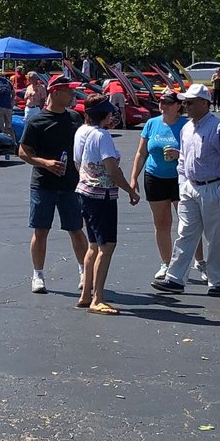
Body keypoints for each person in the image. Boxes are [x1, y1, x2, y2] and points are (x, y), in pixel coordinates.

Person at [161, 84, 220, 296]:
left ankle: (216, 281)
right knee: (185, 232)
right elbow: (182, 159)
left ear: (204, 103)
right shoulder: (187, 127)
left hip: (212, 186)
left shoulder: (219, 127)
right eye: (184, 102)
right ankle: (175, 278)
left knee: (213, 235)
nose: (185, 105)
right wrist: (182, 183)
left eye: (189, 102)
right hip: (190, 186)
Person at [20, 76, 87, 296]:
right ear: (56, 93)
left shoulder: (76, 118)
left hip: (71, 184)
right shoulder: (37, 121)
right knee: (41, 230)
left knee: (76, 229)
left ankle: (85, 273)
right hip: (43, 184)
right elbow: (23, 152)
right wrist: (46, 163)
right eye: (68, 92)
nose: (72, 96)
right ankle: (37, 275)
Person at [74, 97, 139, 313]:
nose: (113, 117)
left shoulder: (82, 131)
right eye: (110, 113)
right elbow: (112, 169)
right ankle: (97, 298)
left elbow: (77, 162)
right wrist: (130, 190)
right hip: (102, 195)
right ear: (103, 115)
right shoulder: (102, 136)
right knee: (107, 246)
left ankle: (86, 294)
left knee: (93, 245)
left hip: (85, 191)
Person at [137, 92, 187, 274]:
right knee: (161, 224)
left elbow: (197, 153)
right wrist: (133, 178)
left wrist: (179, 154)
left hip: (179, 178)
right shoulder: (152, 123)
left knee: (188, 223)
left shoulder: (186, 125)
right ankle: (166, 263)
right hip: (154, 177)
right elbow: (142, 153)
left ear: (177, 106)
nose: (163, 105)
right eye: (161, 101)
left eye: (167, 102)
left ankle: (198, 261)